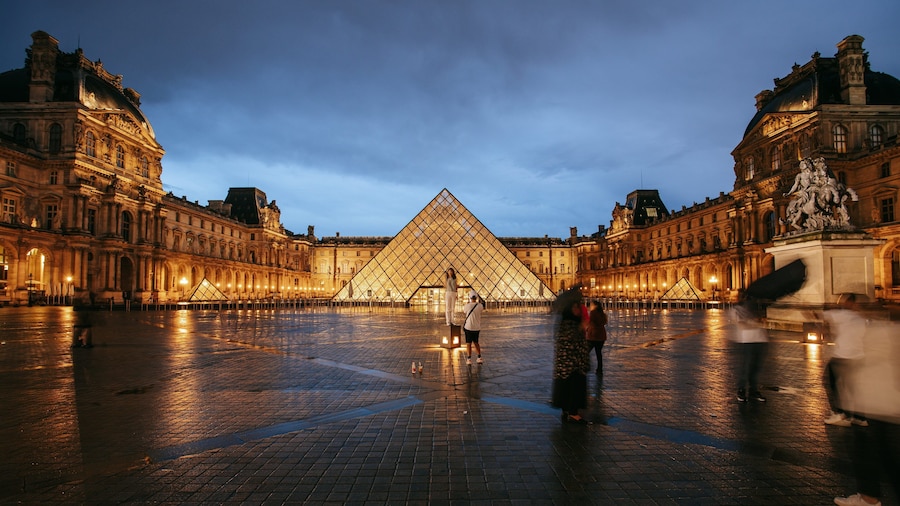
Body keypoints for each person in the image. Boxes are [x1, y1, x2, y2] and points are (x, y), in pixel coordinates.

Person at [823, 293, 867, 427]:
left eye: (842, 301)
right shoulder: (860, 319)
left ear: (847, 303)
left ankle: (839, 413)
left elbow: (816, 315)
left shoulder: (840, 315)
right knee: (854, 387)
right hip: (858, 357)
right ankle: (860, 418)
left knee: (831, 383)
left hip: (841, 357)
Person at [552, 299, 590, 423]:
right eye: (575, 307)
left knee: (566, 388)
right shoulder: (571, 325)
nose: (578, 310)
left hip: (565, 365)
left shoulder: (565, 324)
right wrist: (580, 328)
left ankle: (567, 410)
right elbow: (573, 343)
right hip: (572, 364)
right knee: (573, 388)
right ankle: (573, 413)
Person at [727, 292, 768, 402]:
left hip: (760, 339)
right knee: (746, 367)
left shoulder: (755, 309)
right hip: (746, 341)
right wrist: (755, 323)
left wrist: (756, 322)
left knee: (756, 368)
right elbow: (741, 325)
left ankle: (753, 391)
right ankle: (741, 390)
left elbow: (763, 321)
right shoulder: (736, 310)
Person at [585, 300, 608, 376]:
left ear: (596, 306)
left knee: (585, 351)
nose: (590, 306)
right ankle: (599, 369)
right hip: (601, 336)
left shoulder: (593, 313)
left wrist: (586, 329)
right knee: (598, 353)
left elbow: (590, 322)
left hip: (593, 336)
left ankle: (583, 366)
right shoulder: (602, 314)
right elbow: (603, 322)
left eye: (591, 305)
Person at [461, 290, 484, 365]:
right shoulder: (480, 306)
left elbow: (464, 311)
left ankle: (469, 358)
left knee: (468, 343)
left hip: (468, 327)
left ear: (470, 297)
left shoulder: (467, 306)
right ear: (476, 297)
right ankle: (479, 357)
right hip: (477, 327)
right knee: (476, 342)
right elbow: (481, 309)